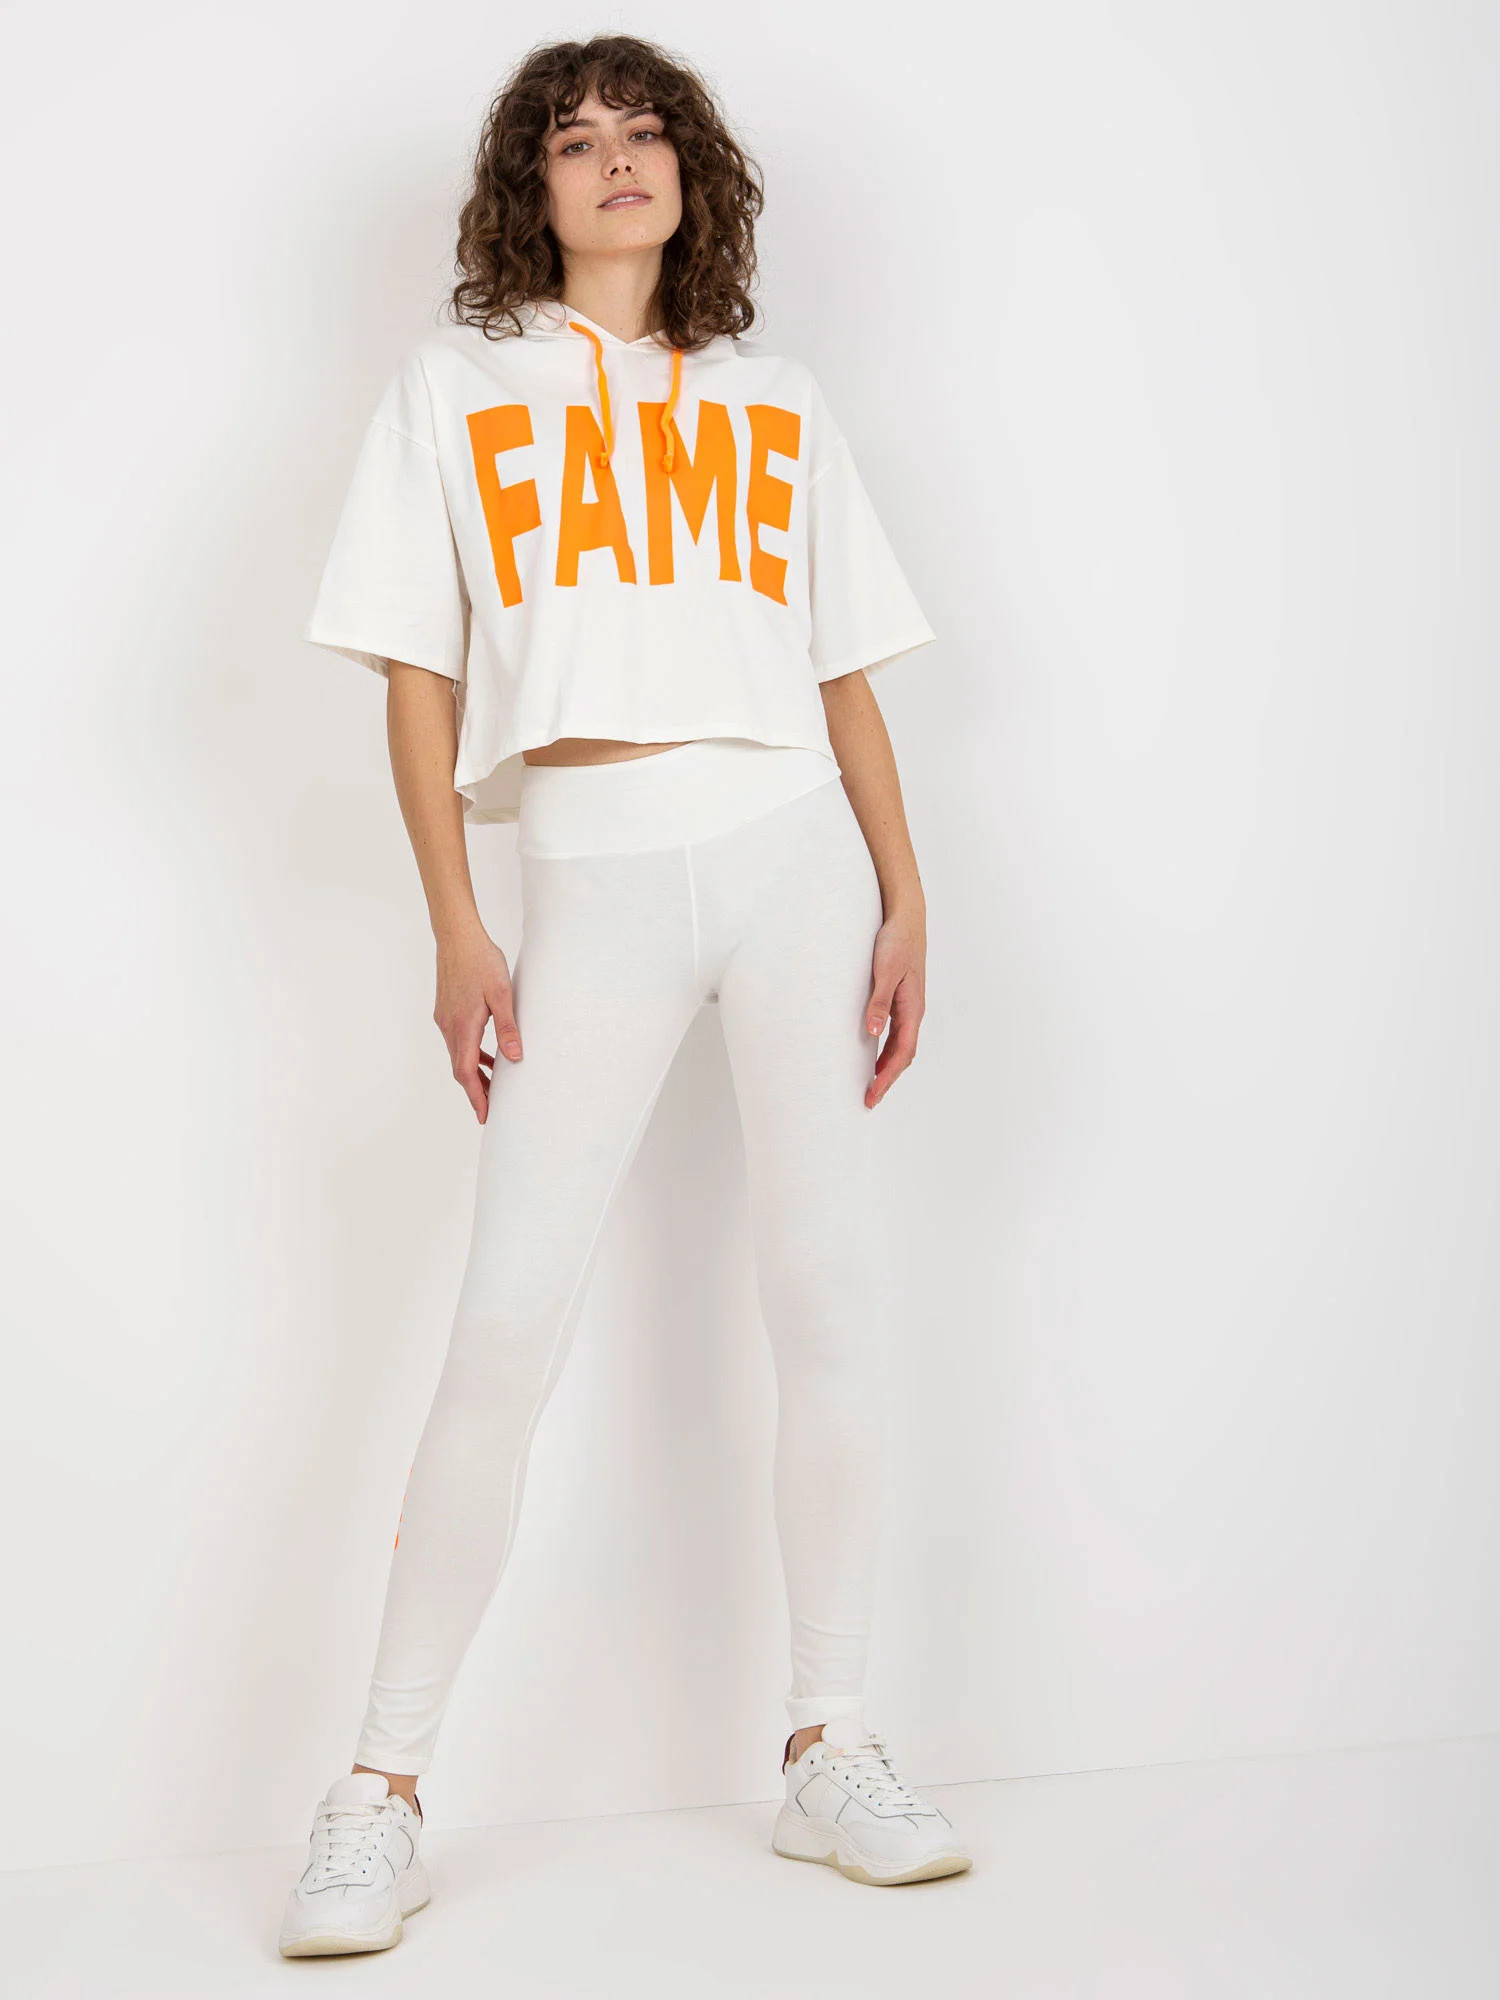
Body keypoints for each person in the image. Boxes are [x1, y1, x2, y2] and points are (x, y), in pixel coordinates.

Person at [278, 33, 970, 1959]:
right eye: (573, 142)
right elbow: (416, 673)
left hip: (795, 853)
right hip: (585, 872)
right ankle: (378, 1794)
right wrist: (456, 922)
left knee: (824, 1294)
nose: (614, 163)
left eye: (643, 133)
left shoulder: (775, 397)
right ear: (533, 188)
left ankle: (831, 1740)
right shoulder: (455, 388)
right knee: (507, 1321)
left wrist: (907, 890)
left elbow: (842, 669)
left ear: (692, 176)